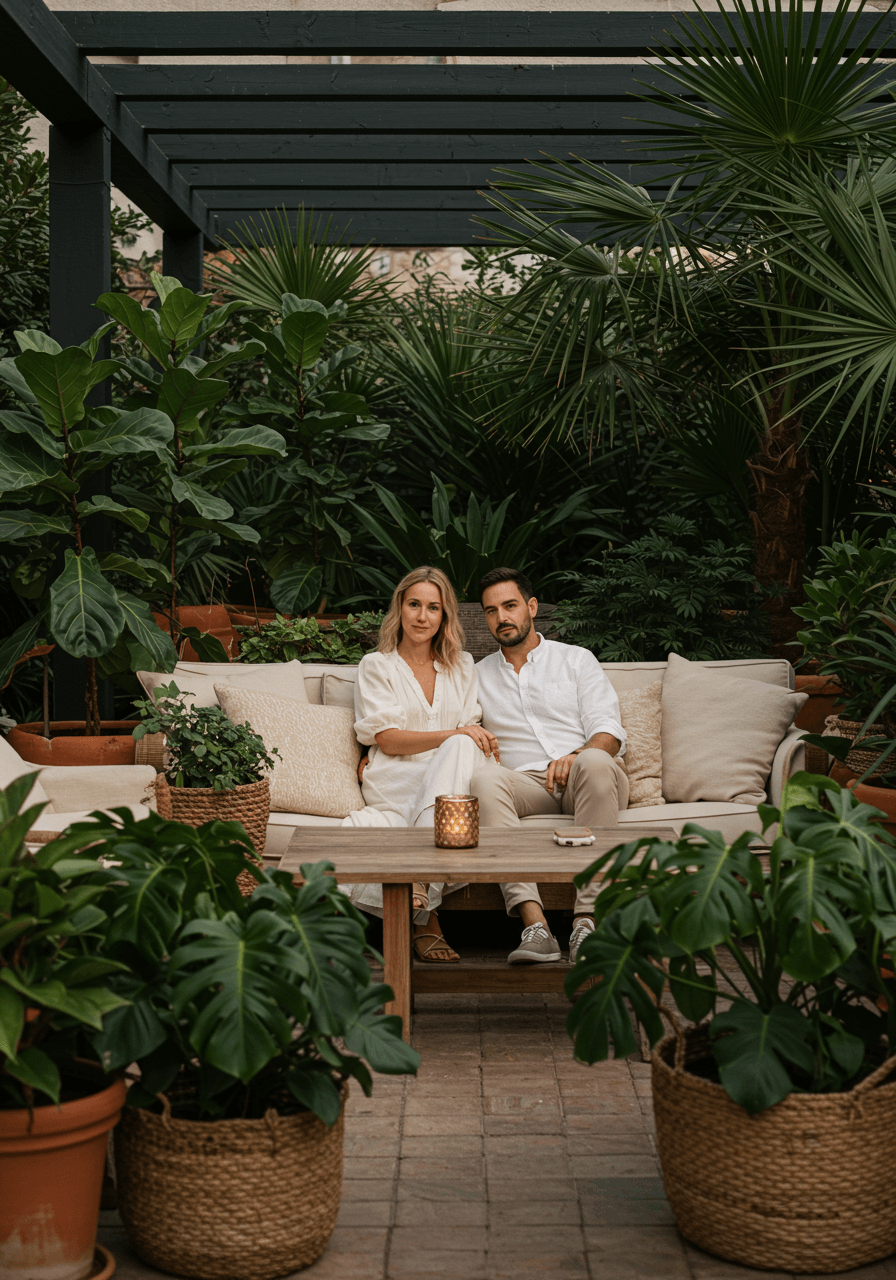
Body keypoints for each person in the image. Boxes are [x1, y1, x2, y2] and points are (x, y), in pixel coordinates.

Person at [470, 567, 629, 966]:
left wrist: (575, 755)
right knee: (485, 778)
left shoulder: (576, 660)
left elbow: (608, 731)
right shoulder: (477, 675)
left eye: (510, 606)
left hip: (588, 776)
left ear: (531, 607)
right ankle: (534, 925)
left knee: (594, 759)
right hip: (527, 784)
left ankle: (587, 921)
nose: (502, 618)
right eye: (491, 611)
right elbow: (446, 722)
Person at [342, 565, 500, 963]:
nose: (422, 616)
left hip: (446, 784)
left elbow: (470, 734)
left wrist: (462, 738)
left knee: (462, 750)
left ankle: (419, 886)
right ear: (400, 607)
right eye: (414, 604)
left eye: (433, 608)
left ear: (445, 615)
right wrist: (455, 735)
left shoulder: (462, 665)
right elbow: (389, 739)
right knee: (461, 742)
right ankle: (427, 901)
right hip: (394, 777)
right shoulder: (376, 665)